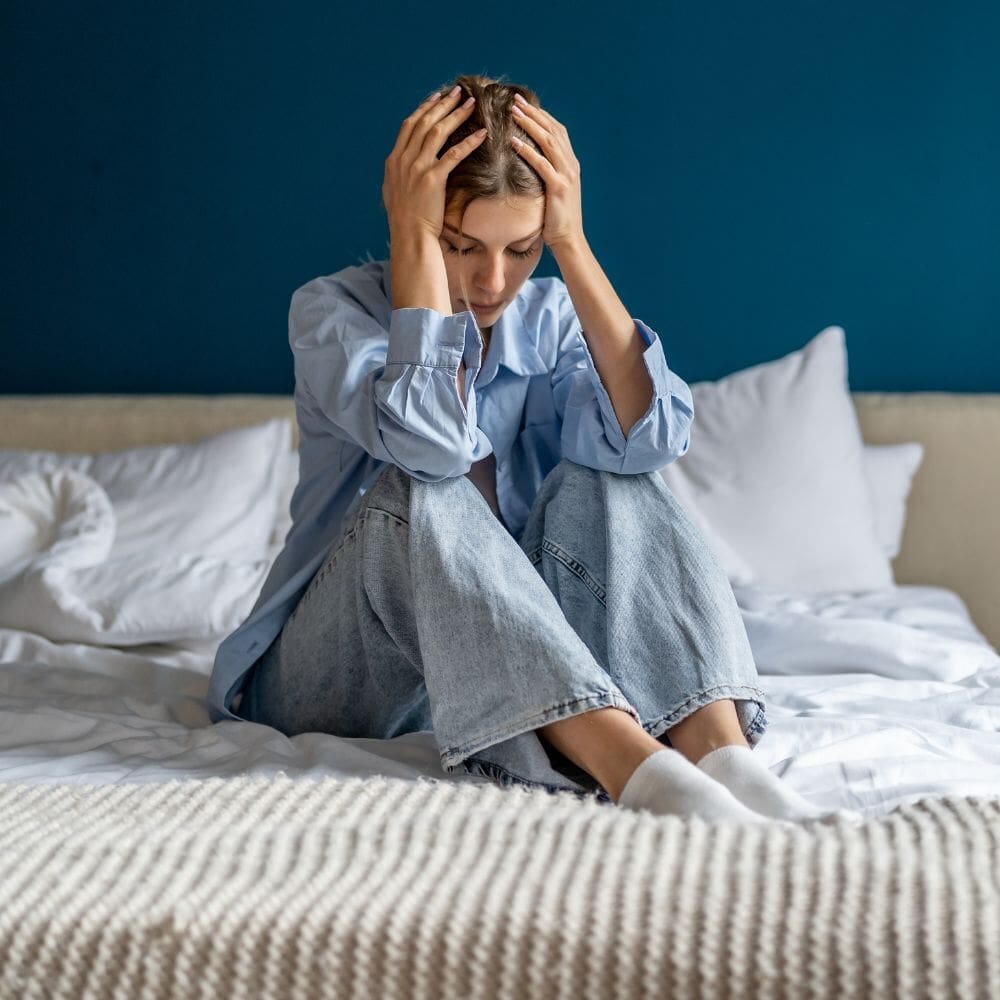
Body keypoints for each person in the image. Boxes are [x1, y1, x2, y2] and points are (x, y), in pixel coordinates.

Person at [208, 73, 855, 826]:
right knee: (423, 489)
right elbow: (432, 450)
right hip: (336, 673)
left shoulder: (547, 319)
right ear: (417, 224)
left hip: (508, 664)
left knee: (617, 475)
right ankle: (636, 768)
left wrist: (571, 245)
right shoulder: (334, 312)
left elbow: (650, 441)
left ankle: (721, 757)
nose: (492, 281)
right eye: (459, 245)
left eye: (521, 249)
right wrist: (411, 241)